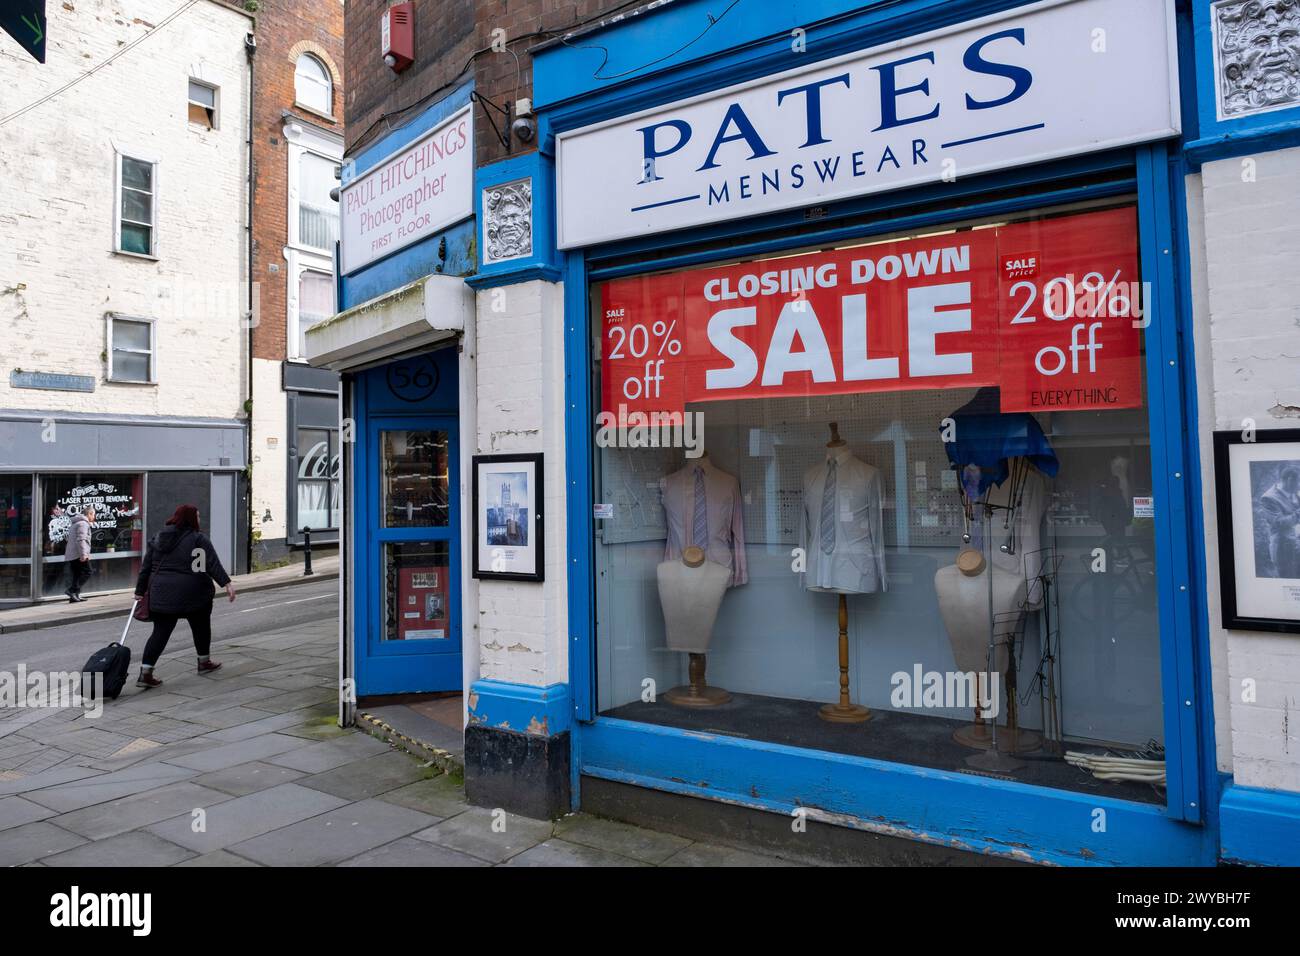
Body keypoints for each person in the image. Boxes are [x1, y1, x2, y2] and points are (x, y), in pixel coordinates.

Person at [133, 504, 236, 688]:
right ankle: (204, 662)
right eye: (197, 516)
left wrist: (139, 591)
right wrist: (226, 583)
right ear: (190, 518)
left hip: (162, 593)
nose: (199, 519)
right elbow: (211, 563)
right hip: (193, 592)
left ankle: (145, 673)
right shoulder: (198, 539)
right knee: (201, 627)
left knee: (160, 633)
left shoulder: (158, 538)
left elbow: (146, 567)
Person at [63, 504, 94, 602]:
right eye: (93, 515)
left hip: (72, 554)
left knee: (77, 574)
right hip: (78, 554)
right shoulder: (83, 524)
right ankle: (72, 590)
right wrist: (84, 554)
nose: (94, 517)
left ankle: (75, 596)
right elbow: (81, 540)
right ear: (89, 514)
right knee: (88, 571)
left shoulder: (76, 523)